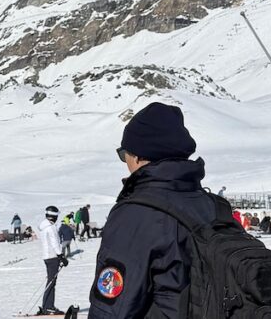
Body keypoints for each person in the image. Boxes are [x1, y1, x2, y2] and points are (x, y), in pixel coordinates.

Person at [87, 102, 216, 318]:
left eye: (123, 154)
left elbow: (112, 307)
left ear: (137, 156)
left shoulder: (135, 214)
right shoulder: (212, 205)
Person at [37, 206, 66, 316]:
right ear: (54, 216)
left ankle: (47, 306)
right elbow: (54, 242)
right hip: (53, 257)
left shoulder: (44, 227)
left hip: (47, 257)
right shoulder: (51, 227)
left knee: (50, 281)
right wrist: (61, 256)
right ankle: (48, 307)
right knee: (51, 282)